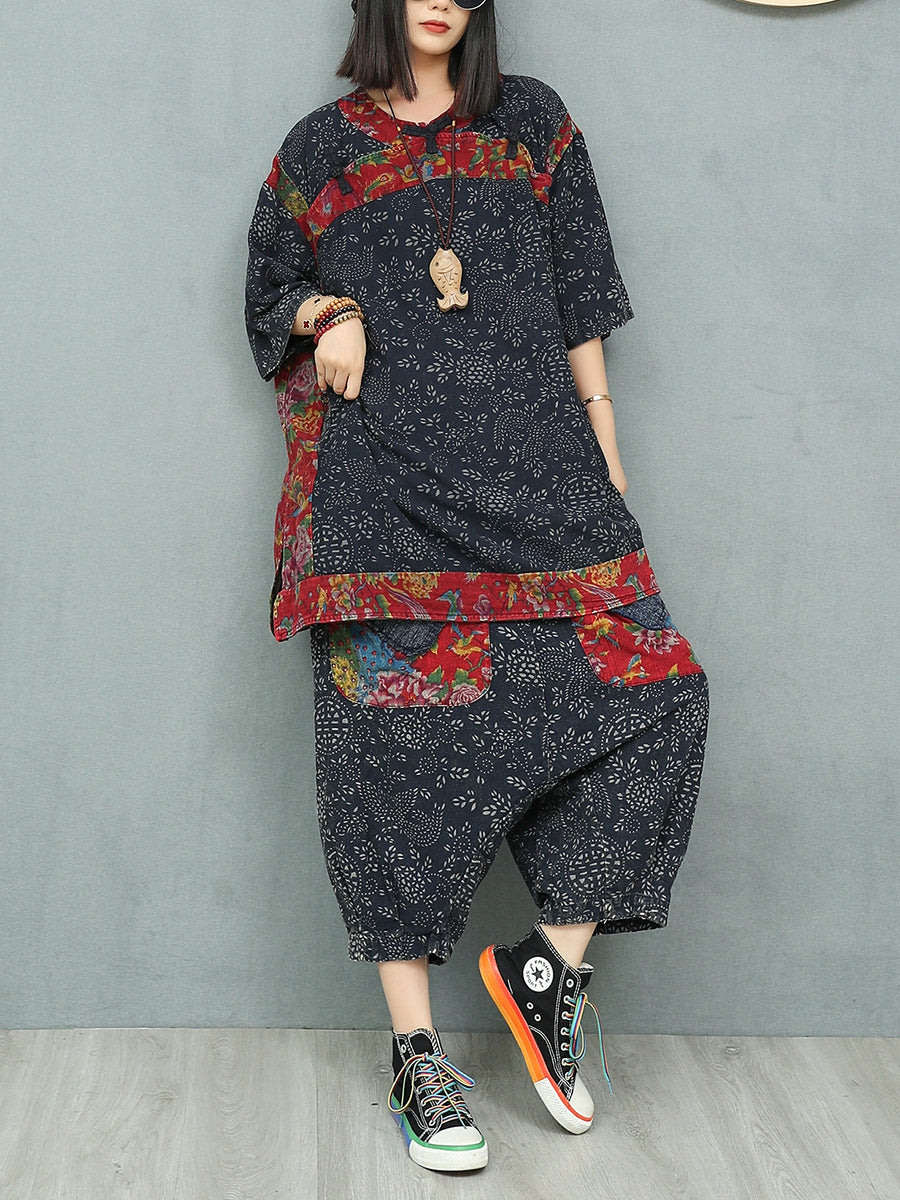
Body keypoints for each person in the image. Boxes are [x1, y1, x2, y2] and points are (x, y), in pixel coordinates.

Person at [245, 0, 709, 1175]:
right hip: (381, 507)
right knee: (389, 766)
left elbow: (582, 295)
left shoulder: (534, 126)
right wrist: (328, 311)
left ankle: (545, 968)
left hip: (543, 486)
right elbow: (267, 289)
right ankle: (417, 1057)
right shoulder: (320, 149)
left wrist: (605, 444)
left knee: (664, 698)